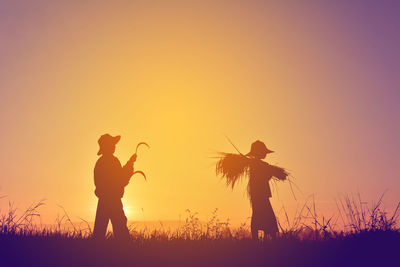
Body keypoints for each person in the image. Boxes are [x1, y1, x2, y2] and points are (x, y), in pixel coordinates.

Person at [92, 134, 136, 240]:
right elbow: (121, 180)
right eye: (113, 144)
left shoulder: (100, 163)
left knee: (99, 232)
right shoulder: (112, 161)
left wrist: (130, 163)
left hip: (103, 201)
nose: (115, 146)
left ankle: (94, 254)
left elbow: (119, 179)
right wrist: (130, 164)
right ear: (108, 146)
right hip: (113, 200)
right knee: (121, 232)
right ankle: (123, 253)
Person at [246, 140, 283, 240]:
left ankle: (257, 240)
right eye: (263, 152)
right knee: (267, 216)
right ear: (259, 153)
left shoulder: (254, 164)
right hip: (261, 195)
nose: (265, 154)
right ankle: (271, 240)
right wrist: (269, 173)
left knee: (257, 214)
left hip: (256, 194)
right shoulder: (259, 165)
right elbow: (263, 178)